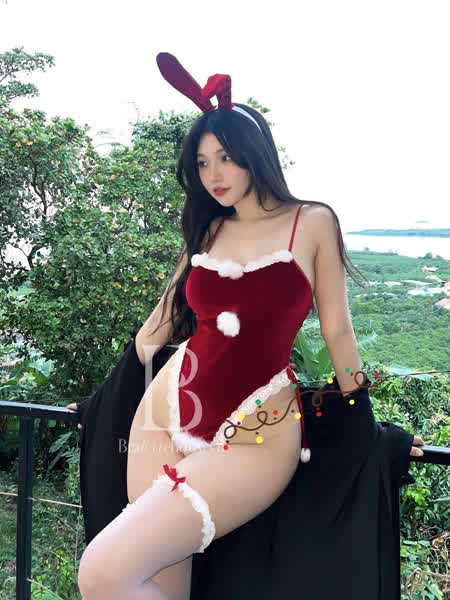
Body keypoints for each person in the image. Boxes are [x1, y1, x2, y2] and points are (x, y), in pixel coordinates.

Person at [66, 52, 424, 600]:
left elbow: (338, 333)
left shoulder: (312, 222)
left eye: (226, 158)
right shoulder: (208, 231)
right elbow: (154, 332)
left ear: (255, 154)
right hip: (162, 417)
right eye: (203, 163)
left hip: (257, 431)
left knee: (101, 571)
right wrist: (100, 404)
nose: (214, 175)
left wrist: (365, 426)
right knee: (160, 583)